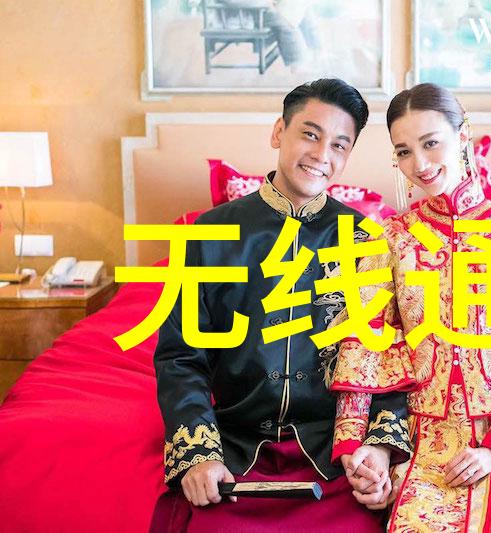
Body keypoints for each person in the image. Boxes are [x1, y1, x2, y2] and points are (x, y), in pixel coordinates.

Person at [149, 78, 411, 532]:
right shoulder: (207, 234)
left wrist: (380, 448)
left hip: (335, 455)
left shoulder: (367, 242)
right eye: (310, 134)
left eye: (339, 145)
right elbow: (180, 357)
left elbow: (390, 358)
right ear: (278, 133)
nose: (321, 154)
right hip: (233, 449)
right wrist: (199, 455)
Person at [328, 83, 491, 532]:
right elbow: (364, 343)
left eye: (430, 143)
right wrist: (355, 446)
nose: (419, 164)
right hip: (418, 442)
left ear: (463, 136)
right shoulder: (393, 238)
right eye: (404, 152)